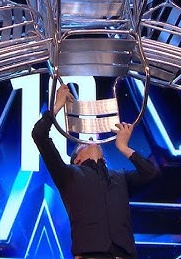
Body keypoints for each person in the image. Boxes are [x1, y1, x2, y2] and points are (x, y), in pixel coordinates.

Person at [32, 85, 160, 259]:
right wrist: (57, 106)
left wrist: (124, 147)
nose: (91, 140)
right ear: (77, 159)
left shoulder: (120, 177)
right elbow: (39, 134)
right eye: (83, 143)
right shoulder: (68, 175)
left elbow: (150, 173)